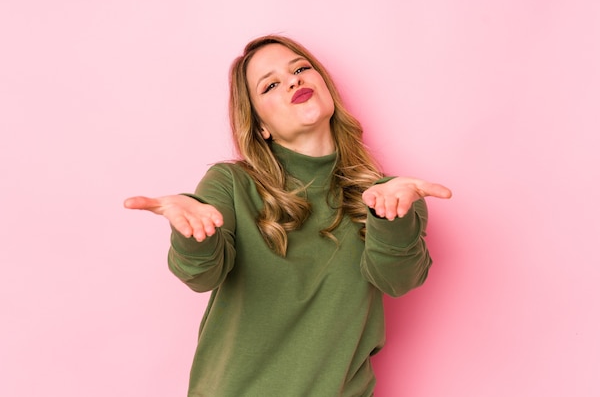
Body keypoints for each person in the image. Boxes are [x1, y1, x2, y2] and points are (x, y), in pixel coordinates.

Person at [124, 34, 451, 397]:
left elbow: (398, 280)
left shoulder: (389, 194)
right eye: (272, 85)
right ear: (260, 125)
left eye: (301, 68)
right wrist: (193, 233)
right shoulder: (231, 183)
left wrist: (392, 217)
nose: (294, 80)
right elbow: (202, 275)